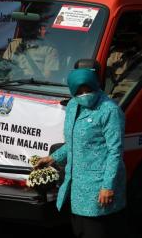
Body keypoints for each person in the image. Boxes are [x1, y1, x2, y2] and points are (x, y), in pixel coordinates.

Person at [35, 68, 127, 238]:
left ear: (96, 86)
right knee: (79, 230)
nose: (85, 95)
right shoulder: (72, 106)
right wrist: (52, 158)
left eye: (88, 90)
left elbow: (115, 151)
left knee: (96, 230)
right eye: (79, 91)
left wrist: (108, 186)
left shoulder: (109, 111)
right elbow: (73, 143)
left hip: (98, 185)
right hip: (76, 185)